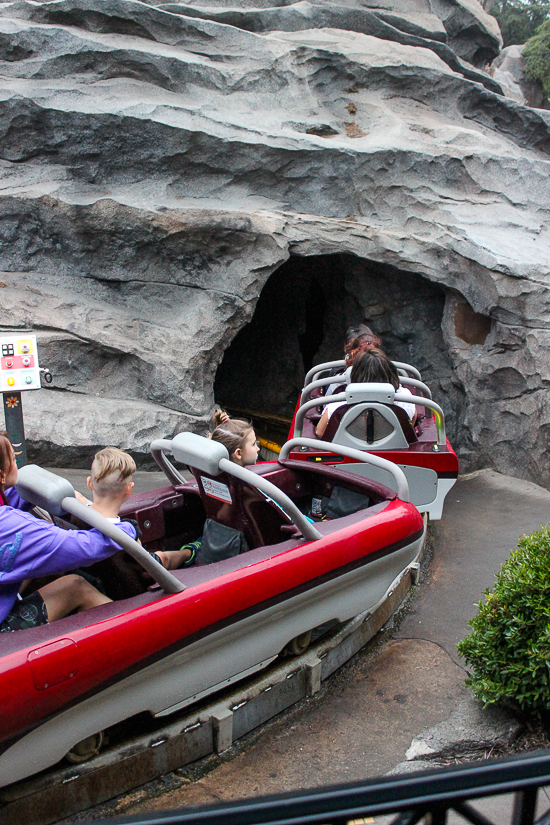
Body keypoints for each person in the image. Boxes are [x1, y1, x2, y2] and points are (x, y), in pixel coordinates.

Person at [0, 435, 138, 632]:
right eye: (13, 460)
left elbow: (21, 493)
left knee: (54, 569)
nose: (18, 466)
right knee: (76, 586)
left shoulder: (5, 499)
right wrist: (128, 529)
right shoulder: (9, 526)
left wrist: (82, 503)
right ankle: (138, 636)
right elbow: (82, 548)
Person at [84, 447, 194, 570]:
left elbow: (77, 496)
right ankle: (189, 552)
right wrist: (185, 553)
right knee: (164, 558)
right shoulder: (128, 533)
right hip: (136, 577)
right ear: (129, 490)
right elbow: (149, 565)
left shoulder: (79, 512)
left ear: (89, 483)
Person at [316, 348, 417, 438]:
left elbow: (320, 432)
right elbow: (409, 428)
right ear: (390, 373)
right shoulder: (406, 399)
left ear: (354, 375)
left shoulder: (337, 405)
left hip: (349, 453)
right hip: (394, 454)